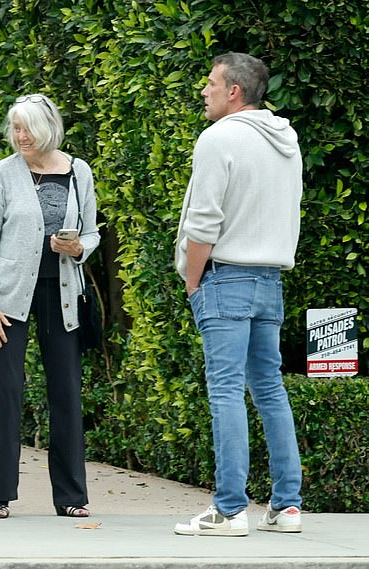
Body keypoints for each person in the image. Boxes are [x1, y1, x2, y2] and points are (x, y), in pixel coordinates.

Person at [174, 53, 303, 536]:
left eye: (211, 84)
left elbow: (204, 220)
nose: (203, 91)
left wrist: (192, 279)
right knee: (270, 390)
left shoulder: (218, 138)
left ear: (234, 92)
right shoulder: (287, 141)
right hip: (270, 278)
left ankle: (229, 510)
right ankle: (287, 507)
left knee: (225, 390)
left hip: (226, 276)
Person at [0, 94, 100, 519]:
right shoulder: (2, 174)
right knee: (6, 393)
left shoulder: (78, 171)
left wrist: (79, 246)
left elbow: (93, 232)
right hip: (10, 298)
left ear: (48, 128)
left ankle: (71, 497)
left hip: (62, 294)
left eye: (27, 127)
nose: (20, 136)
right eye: (15, 128)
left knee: (65, 392)